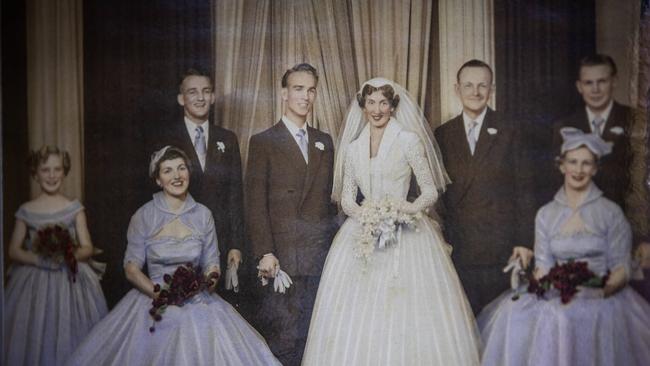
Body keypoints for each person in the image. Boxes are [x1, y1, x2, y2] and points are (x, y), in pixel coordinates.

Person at [302, 78, 480, 365]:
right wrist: (367, 216)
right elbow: (347, 198)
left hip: (405, 231)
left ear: (393, 106)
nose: (377, 109)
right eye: (371, 102)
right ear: (362, 106)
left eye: (383, 102)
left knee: (405, 309)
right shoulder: (353, 147)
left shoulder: (408, 139)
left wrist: (402, 211)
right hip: (363, 231)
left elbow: (430, 191)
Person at [67, 146, 280, 365]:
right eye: (167, 171)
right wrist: (162, 295)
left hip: (197, 298)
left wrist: (204, 284)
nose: (176, 176)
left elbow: (212, 265)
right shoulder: (144, 216)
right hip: (154, 296)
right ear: (158, 179)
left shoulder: (204, 214)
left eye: (181, 168)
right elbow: (131, 269)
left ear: (189, 172)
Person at [478, 128, 650, 366]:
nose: (579, 170)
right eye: (573, 162)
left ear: (595, 168)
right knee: (526, 315)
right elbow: (544, 265)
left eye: (586, 163)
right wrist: (548, 286)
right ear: (562, 166)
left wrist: (599, 292)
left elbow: (621, 267)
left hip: (602, 295)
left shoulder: (610, 213)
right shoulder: (546, 215)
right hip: (559, 292)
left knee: (576, 317)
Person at [245, 63, 337, 365]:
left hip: (318, 257)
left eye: (311, 90)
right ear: (284, 93)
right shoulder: (263, 142)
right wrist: (265, 252)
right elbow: (255, 204)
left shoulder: (325, 141)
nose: (305, 96)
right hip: (282, 260)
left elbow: (330, 203)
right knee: (284, 339)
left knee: (315, 337)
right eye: (298, 89)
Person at [434, 59, 536, 313]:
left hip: (500, 249)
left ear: (492, 89)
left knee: (498, 325)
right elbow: (439, 195)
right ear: (457, 89)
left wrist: (524, 242)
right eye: (468, 85)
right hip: (459, 248)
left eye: (482, 85)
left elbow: (526, 190)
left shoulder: (510, 129)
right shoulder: (443, 134)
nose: (475, 92)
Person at [549, 54, 650, 302]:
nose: (595, 89)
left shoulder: (637, 121)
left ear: (613, 81)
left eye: (602, 81)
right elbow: (554, 187)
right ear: (579, 86)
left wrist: (644, 238)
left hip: (626, 235)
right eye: (589, 82)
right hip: (581, 238)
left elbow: (642, 185)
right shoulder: (563, 127)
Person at [3, 145, 108, 366]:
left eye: (57, 169)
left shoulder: (74, 208)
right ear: (35, 173)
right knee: (37, 333)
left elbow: (87, 247)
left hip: (70, 278)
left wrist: (67, 255)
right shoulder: (27, 209)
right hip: (34, 281)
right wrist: (40, 260)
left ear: (64, 171)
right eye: (45, 170)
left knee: (71, 332)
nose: (52, 175)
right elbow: (13, 250)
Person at [157, 68, 246, 310]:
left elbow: (235, 196)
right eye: (192, 92)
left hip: (219, 240)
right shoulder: (166, 138)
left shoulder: (227, 139)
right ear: (181, 98)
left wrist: (236, 245)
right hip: (180, 240)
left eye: (206, 91)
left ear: (214, 96)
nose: (200, 98)